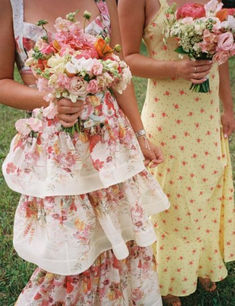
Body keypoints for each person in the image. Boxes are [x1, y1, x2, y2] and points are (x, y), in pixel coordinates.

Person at [0, 0, 170, 304]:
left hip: (110, 146)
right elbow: (2, 82)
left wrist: (140, 134)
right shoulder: (9, 5)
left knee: (121, 237)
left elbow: (121, 73)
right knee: (72, 246)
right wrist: (49, 98)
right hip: (59, 153)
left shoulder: (102, 1)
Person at [118, 0, 235, 305]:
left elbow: (219, 55)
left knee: (206, 186)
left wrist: (228, 106)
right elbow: (125, 60)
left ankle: (202, 262)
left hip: (205, 113)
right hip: (168, 114)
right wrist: (176, 68)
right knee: (173, 196)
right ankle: (168, 274)